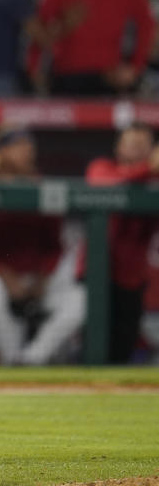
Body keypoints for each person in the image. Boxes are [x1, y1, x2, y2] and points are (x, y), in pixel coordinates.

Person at [0, 126, 85, 365]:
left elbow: (54, 246)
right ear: (1, 152)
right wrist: (2, 273)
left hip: (33, 279)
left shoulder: (40, 186)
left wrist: (44, 276)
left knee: (80, 299)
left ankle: (33, 357)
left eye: (29, 147)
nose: (27, 152)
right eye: (19, 146)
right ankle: (11, 356)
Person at [86, 122, 159, 363]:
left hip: (132, 278)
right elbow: (103, 185)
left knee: (122, 349)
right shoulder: (102, 167)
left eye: (143, 146)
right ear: (118, 147)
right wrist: (148, 167)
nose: (137, 151)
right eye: (132, 144)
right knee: (90, 344)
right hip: (94, 276)